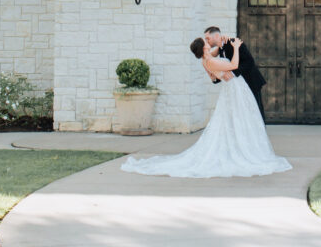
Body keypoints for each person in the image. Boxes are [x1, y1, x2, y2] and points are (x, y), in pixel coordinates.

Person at [119, 36, 291, 178]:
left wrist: (220, 46)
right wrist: (237, 47)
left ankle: (242, 146)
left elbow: (214, 73)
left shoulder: (206, 60)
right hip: (234, 89)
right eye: (205, 41)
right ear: (203, 48)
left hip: (232, 89)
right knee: (241, 119)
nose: (208, 41)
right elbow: (234, 65)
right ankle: (245, 151)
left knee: (238, 120)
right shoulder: (211, 61)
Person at [204, 25, 267, 120]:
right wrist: (216, 79)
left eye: (208, 38)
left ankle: (259, 133)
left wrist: (232, 73)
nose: (207, 41)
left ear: (216, 36)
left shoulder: (234, 43)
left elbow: (249, 61)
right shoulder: (220, 48)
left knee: (255, 109)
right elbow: (224, 68)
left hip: (250, 80)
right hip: (238, 86)